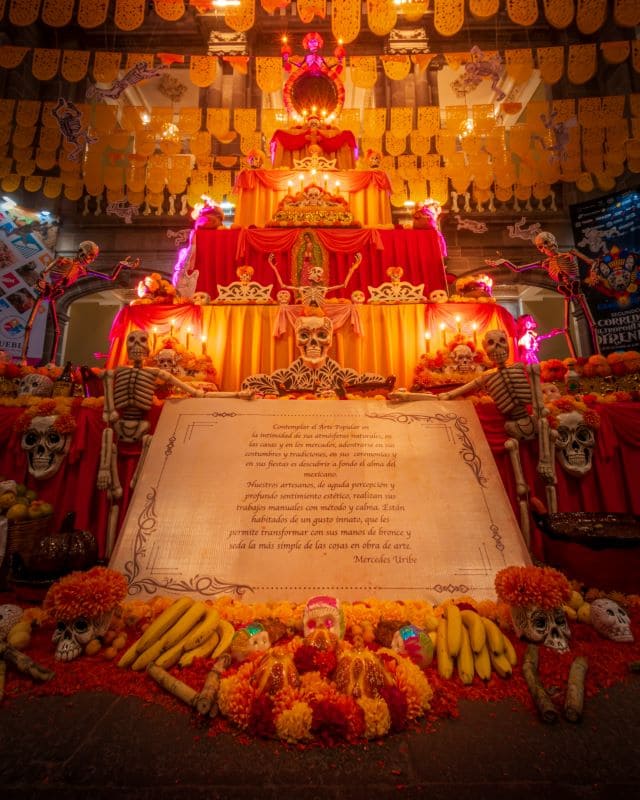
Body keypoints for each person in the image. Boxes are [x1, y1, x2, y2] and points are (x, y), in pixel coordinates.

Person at [486, 231, 600, 357]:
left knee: (592, 324)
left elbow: (593, 262)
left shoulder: (570, 254)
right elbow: (518, 269)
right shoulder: (545, 263)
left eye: (546, 243)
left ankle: (598, 357)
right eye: (540, 246)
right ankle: (575, 360)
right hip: (565, 290)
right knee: (566, 328)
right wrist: (504, 261)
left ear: (553, 241)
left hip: (576, 288)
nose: (545, 248)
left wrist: (593, 274)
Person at [268, 251, 361, 307]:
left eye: (320, 273)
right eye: (316, 272)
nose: (318, 275)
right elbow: (282, 285)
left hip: (321, 313)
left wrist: (352, 269)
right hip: (305, 313)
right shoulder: (304, 289)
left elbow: (344, 285)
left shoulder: (322, 289)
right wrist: (273, 268)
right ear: (310, 274)